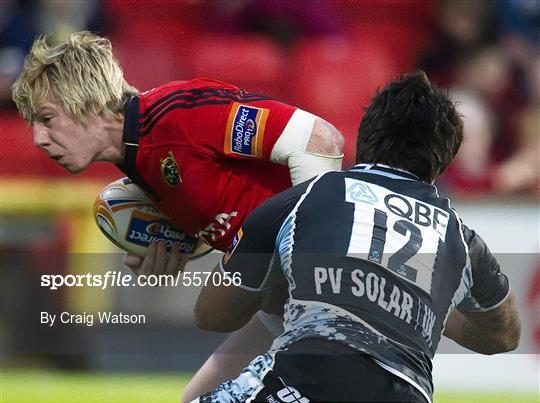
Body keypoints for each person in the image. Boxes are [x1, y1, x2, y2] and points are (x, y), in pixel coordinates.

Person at [10, 31, 344, 400]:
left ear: (85, 101)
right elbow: (232, 207)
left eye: (46, 118)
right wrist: (184, 246)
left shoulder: (183, 115)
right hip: (283, 308)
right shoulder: (141, 171)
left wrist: (316, 274)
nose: (38, 139)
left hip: (339, 295)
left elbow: (320, 141)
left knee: (214, 315)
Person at [193, 72, 521, 402]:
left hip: (311, 377)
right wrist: (425, 310)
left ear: (363, 139)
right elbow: (505, 335)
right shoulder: (463, 240)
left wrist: (285, 285)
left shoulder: (306, 198)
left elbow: (213, 315)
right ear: (442, 164)